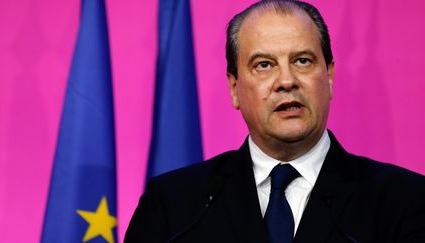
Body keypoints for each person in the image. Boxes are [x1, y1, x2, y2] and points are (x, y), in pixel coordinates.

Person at [125, 1, 425, 242]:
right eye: (264, 65)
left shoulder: (405, 201)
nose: (286, 81)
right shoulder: (173, 205)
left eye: (302, 61)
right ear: (234, 89)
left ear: (330, 77)